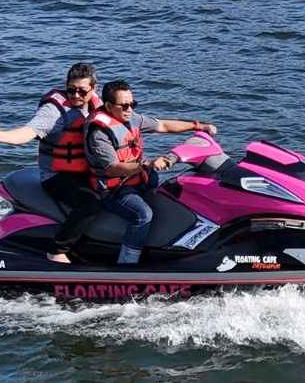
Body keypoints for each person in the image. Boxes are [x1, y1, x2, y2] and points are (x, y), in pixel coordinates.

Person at [84, 79, 217, 265]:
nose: (129, 109)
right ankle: (127, 263)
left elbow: (162, 125)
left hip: (138, 180)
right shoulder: (99, 133)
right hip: (113, 190)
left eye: (132, 104)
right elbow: (112, 168)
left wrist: (198, 126)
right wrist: (147, 165)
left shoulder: (130, 118)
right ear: (108, 105)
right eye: (124, 105)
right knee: (143, 214)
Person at [0, 62, 103, 264]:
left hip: (86, 171)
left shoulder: (98, 106)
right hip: (57, 176)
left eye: (81, 92)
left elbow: (129, 124)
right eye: (71, 90)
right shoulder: (54, 111)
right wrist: (0, 136)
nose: (75, 96)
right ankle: (58, 249)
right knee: (90, 203)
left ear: (94, 89)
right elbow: (29, 132)